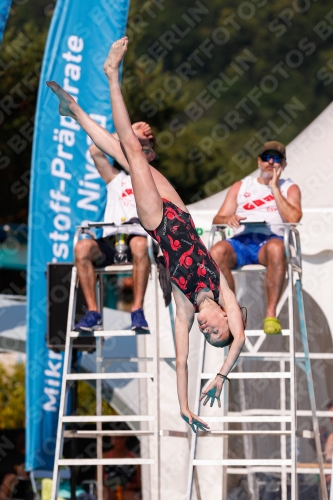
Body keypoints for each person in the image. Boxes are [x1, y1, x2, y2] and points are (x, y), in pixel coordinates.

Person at [46, 36, 246, 433]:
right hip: (182, 213)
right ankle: (74, 111)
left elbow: (183, 361)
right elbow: (240, 341)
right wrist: (223, 375)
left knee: (133, 152)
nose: (210, 330)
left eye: (209, 335)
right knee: (123, 152)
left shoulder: (186, 307)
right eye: (217, 329)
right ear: (225, 315)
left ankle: (111, 75)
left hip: (159, 222)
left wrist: (185, 407)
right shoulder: (223, 291)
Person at [210, 140, 302, 335]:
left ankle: (270, 315)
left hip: (270, 242)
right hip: (241, 241)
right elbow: (217, 218)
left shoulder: (289, 188)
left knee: (277, 249)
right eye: (266, 158)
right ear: (258, 162)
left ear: (283, 164)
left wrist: (275, 188)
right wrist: (229, 218)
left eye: (276, 159)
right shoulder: (242, 186)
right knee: (216, 251)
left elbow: (294, 218)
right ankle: (232, 312)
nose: (271, 162)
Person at [74, 122, 155, 332]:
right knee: (82, 247)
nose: (137, 151)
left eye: (144, 148)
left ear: (152, 156)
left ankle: (137, 310)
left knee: (138, 244)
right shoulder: (116, 179)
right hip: (112, 242)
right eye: (135, 146)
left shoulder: (156, 181)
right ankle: (93, 312)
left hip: (138, 239)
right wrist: (125, 131)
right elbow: (94, 150)